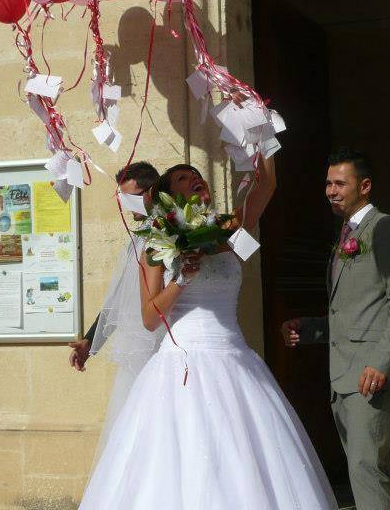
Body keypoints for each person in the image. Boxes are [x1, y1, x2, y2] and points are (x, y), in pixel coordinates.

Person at [79, 156, 337, 510]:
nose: (195, 179)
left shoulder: (230, 228)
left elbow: (266, 185)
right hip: (180, 365)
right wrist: (181, 281)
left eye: (197, 175)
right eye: (183, 179)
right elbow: (150, 318)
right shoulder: (157, 243)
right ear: (169, 197)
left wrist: (260, 125)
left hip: (235, 359)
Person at [281, 148, 390, 510]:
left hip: (371, 375)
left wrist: (382, 362)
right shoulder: (346, 234)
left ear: (366, 186)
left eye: (340, 183)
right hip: (344, 375)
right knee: (377, 468)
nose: (331, 190)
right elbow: (355, 311)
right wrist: (309, 329)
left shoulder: (386, 228)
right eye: (328, 183)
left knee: (365, 467)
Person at [68, 161, 160, 372]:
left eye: (131, 198)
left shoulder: (175, 230)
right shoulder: (137, 240)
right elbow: (119, 298)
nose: (126, 206)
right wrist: (90, 341)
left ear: (151, 191)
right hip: (142, 346)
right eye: (123, 199)